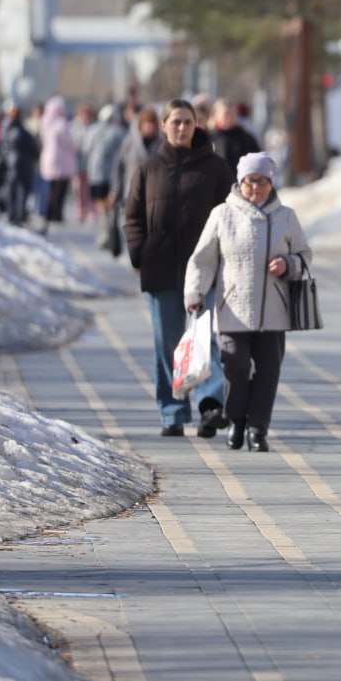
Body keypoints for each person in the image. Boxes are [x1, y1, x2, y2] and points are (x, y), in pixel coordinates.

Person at [184, 152, 311, 453]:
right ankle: (237, 419)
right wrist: (195, 293)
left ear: (272, 183)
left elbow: (305, 256)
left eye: (263, 181)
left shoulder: (286, 216)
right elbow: (203, 260)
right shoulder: (222, 215)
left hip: (274, 311)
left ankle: (257, 429)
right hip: (233, 311)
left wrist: (288, 264)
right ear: (239, 183)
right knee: (235, 367)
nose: (256, 188)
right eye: (250, 181)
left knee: (269, 371)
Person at [124, 99, 234, 437]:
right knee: (168, 343)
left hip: (203, 270)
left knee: (203, 338)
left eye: (188, 122)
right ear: (164, 125)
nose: (182, 128)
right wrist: (140, 253)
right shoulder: (148, 169)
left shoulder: (214, 167)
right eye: (176, 122)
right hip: (160, 271)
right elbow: (133, 217)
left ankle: (209, 405)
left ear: (196, 125)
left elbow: (229, 216)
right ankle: (173, 411)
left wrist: (223, 258)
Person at [37, 97, 79, 234]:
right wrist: (75, 148)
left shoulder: (45, 122)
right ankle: (56, 214)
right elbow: (69, 143)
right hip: (61, 161)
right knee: (59, 191)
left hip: (48, 160)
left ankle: (48, 213)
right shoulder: (61, 124)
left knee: (51, 190)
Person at [0, 103, 40, 225]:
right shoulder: (24, 132)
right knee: (22, 192)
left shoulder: (5, 130)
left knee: (11, 191)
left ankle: (12, 215)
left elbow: (2, 148)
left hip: (11, 166)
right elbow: (34, 149)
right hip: (24, 166)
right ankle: (19, 216)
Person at [111, 106, 161, 208]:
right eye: (147, 123)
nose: (150, 127)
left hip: (156, 195)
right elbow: (119, 167)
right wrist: (115, 191)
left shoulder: (162, 144)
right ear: (140, 125)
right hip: (132, 193)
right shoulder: (130, 143)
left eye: (152, 123)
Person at [84, 104, 127, 219]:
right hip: (113, 171)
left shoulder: (93, 130)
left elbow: (86, 148)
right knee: (110, 196)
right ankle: (108, 217)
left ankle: (105, 217)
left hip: (96, 170)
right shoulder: (119, 132)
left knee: (99, 197)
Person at [210, 97, 261, 173]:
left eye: (233, 114)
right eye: (226, 114)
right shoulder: (210, 138)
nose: (229, 117)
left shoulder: (245, 138)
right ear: (216, 115)